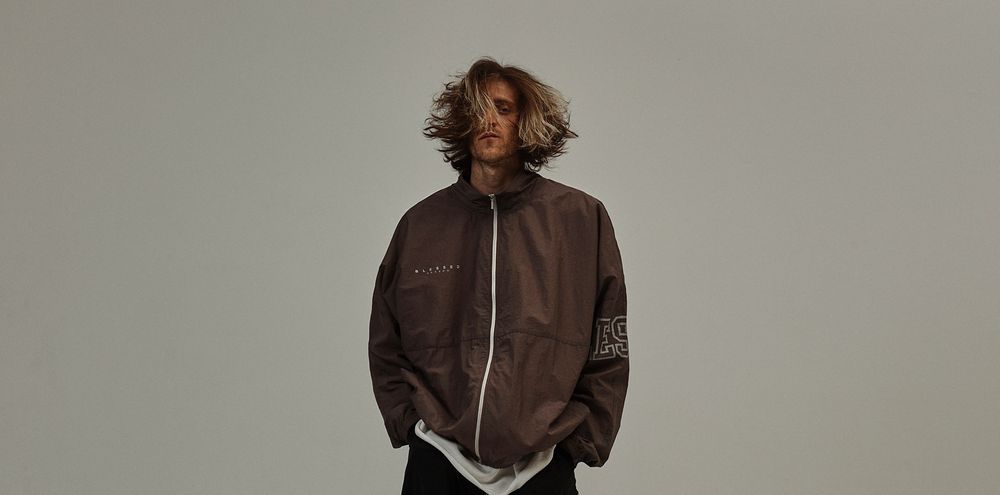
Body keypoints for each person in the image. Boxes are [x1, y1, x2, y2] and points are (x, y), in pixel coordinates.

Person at [368, 56, 629, 495]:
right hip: (439, 457)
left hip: (543, 462)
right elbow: (385, 338)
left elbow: (610, 339)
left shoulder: (580, 219)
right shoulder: (421, 225)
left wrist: (578, 443)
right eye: (477, 110)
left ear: (525, 121)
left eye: (503, 109)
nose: (489, 120)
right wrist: (410, 425)